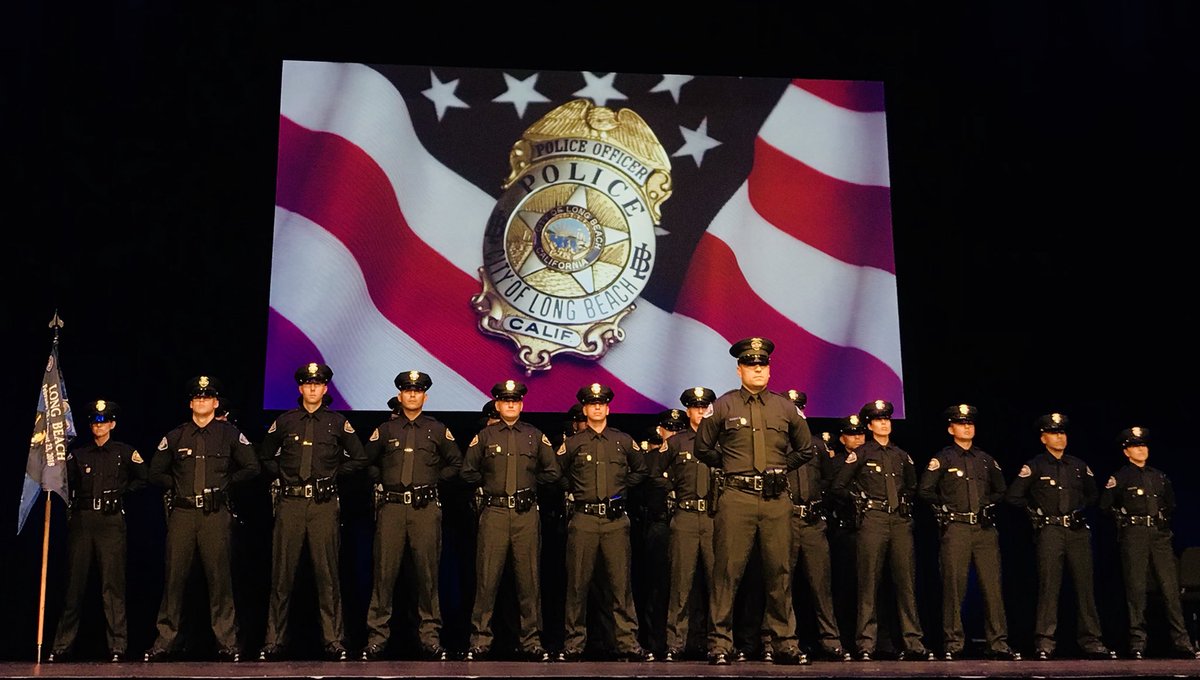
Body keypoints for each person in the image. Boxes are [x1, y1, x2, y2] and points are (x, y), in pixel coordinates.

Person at [694, 337, 814, 665]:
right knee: (727, 572)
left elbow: (805, 449)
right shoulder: (723, 406)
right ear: (739, 369)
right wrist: (730, 465)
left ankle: (785, 643)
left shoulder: (785, 407)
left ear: (769, 369)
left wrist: (781, 468)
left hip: (776, 499)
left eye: (763, 364)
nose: (758, 369)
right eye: (751, 364)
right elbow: (702, 448)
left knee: (780, 572)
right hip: (737, 497)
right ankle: (720, 644)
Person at [257, 363, 368, 661]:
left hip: (323, 505)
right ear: (300, 388)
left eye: (317, 384)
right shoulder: (285, 421)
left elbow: (359, 458)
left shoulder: (337, 422)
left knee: (327, 574)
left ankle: (334, 640)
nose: (312, 388)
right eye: (308, 384)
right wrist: (282, 476)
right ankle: (274, 640)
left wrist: (333, 476)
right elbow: (264, 456)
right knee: (282, 575)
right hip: (290, 504)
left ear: (325, 388)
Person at [144, 376, 260, 662]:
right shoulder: (177, 436)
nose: (201, 402)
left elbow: (252, 467)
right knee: (174, 579)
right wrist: (176, 486)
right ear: (190, 404)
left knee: (220, 579)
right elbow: (154, 472)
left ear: (216, 402)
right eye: (197, 398)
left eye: (207, 398)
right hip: (183, 513)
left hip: (214, 514)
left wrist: (226, 484)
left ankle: (227, 642)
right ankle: (166, 641)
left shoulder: (229, 434)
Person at [361, 370, 462, 661]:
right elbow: (365, 461)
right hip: (392, 508)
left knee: (427, 575)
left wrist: (434, 481)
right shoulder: (386, 429)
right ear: (400, 395)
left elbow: (457, 464)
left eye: (417, 391)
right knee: (384, 575)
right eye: (408, 391)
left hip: (424, 509)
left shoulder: (437, 429)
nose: (413, 395)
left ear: (425, 397)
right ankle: (377, 638)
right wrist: (381, 480)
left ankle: (430, 638)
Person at [460, 380, 560, 661]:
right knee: (487, 579)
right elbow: (467, 471)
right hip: (494, 512)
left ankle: (531, 641)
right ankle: (480, 640)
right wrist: (488, 484)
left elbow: (553, 472)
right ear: (498, 404)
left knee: (529, 580)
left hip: (525, 515)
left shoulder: (534, 435)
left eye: (515, 400)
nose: (511, 405)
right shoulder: (485, 436)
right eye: (505, 401)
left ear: (522, 404)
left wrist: (531, 486)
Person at [1006, 413, 1115, 660]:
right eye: (1054, 433)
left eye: (1062, 432)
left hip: (1077, 532)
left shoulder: (1078, 465)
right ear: (1043, 438)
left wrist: (1080, 510)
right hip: (1050, 531)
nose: (1060, 437)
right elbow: (1013, 496)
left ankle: (1091, 640)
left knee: (1085, 587)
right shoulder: (1035, 465)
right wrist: (1035, 512)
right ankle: (1045, 641)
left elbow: (1093, 495)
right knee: (1049, 587)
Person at [556, 383, 654, 662]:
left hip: (615, 521)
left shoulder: (622, 441)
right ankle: (574, 644)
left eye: (602, 404)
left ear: (608, 408)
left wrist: (621, 490)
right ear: (585, 409)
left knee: (620, 584)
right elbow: (555, 473)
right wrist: (575, 490)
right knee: (578, 584)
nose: (597, 407)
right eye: (592, 404)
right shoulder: (573, 443)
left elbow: (641, 470)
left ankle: (628, 643)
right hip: (584, 519)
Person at [831, 399, 933, 661]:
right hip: (873, 520)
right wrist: (860, 502)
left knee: (906, 583)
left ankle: (913, 642)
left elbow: (912, 486)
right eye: (878, 420)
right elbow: (839, 486)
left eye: (887, 419)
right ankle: (866, 643)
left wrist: (904, 503)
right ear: (869, 425)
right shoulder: (862, 453)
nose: (884, 423)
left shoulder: (901, 455)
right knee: (869, 582)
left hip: (899, 521)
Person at [48, 400, 147, 663]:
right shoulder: (79, 455)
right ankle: (61, 646)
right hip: (83, 521)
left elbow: (144, 477)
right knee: (74, 586)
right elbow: (61, 482)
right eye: (94, 421)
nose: (98, 426)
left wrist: (123, 493)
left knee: (112, 587)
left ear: (112, 424)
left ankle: (118, 646)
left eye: (103, 421)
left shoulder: (124, 452)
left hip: (110, 521)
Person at [917, 404, 1019, 661]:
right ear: (951, 429)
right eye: (961, 424)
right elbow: (925, 490)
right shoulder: (943, 458)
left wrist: (989, 506)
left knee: (992, 588)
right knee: (954, 587)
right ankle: (953, 642)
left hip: (984, 530)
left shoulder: (985, 459)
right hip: (957, 528)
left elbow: (1001, 490)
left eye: (970, 423)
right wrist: (944, 510)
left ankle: (998, 643)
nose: (967, 427)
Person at [761, 390, 850, 662]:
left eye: (799, 407)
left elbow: (829, 479)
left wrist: (817, 503)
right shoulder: (773, 443)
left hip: (812, 522)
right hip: (784, 520)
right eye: (791, 408)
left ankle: (830, 641)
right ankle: (772, 641)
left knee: (821, 585)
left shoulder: (816, 445)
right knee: (779, 583)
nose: (796, 412)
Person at [1098, 427, 1199, 660]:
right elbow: (1105, 505)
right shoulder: (1121, 477)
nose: (1141, 449)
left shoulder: (1159, 476)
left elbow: (1171, 504)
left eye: (1143, 445)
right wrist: (1124, 521)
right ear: (1126, 452)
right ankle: (1138, 642)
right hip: (1134, 535)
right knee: (1136, 590)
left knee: (1170, 589)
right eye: (1135, 446)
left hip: (1159, 535)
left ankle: (1182, 641)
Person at [662, 387, 718, 662]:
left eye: (705, 407)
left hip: (714, 518)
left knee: (718, 585)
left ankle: (718, 644)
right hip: (685, 516)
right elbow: (656, 474)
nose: (701, 412)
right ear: (688, 411)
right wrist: (671, 493)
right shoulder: (676, 442)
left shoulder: (722, 443)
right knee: (681, 584)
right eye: (696, 407)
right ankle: (676, 643)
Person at [633, 409, 685, 658]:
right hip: (660, 526)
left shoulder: (693, 454)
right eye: (669, 428)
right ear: (660, 430)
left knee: (686, 586)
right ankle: (655, 641)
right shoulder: (650, 459)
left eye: (678, 429)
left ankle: (686, 641)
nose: (673, 433)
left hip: (686, 521)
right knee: (657, 587)